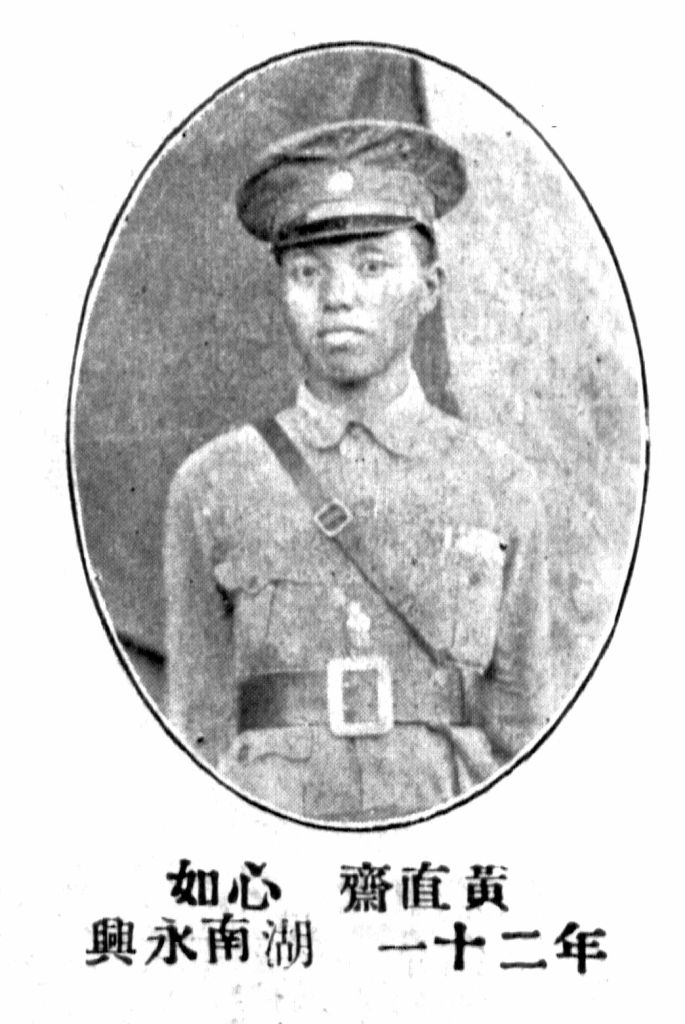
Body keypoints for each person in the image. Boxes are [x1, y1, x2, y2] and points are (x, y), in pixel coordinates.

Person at [163, 119, 551, 822]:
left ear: (429, 286)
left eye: (372, 266)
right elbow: (197, 735)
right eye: (307, 272)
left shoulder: (500, 484)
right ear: (281, 291)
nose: (338, 295)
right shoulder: (213, 483)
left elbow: (523, 732)